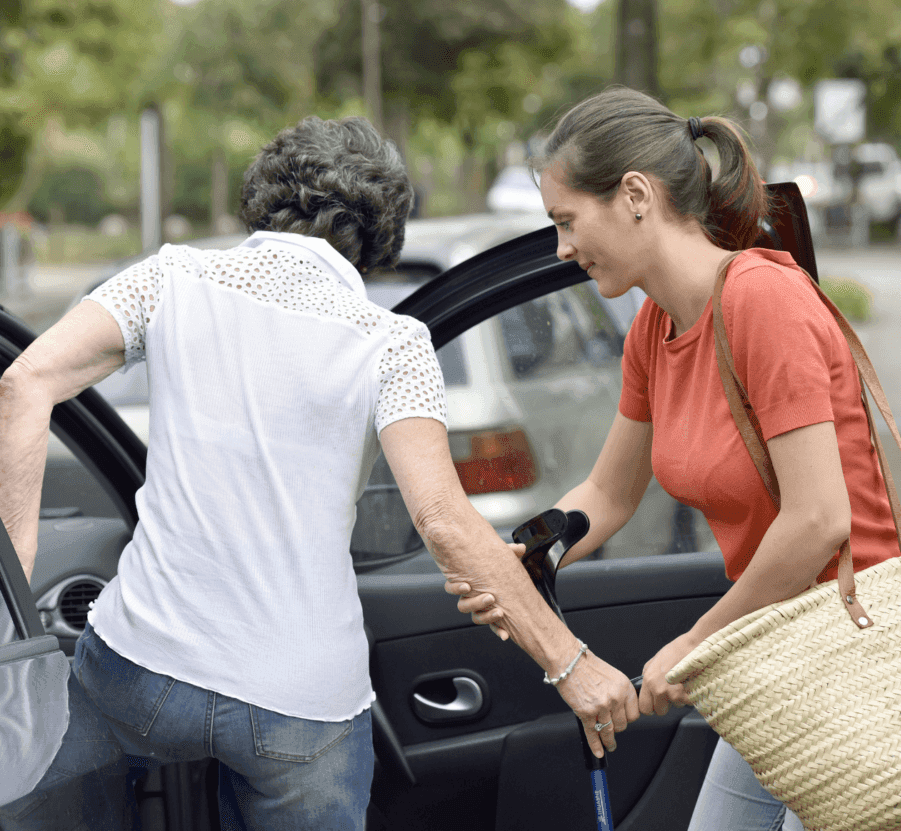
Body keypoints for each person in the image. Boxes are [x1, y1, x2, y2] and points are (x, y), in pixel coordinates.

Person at [0, 114, 638, 830]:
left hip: (140, 669)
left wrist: (12, 602)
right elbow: (443, 522)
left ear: (266, 192)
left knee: (26, 780)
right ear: (381, 233)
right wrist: (569, 663)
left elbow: (25, 384)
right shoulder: (392, 344)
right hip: (299, 705)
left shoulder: (169, 277)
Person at [454, 87, 901, 831]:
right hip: (775, 656)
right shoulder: (655, 328)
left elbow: (819, 519)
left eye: (568, 221)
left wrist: (699, 642)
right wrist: (529, 556)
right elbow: (608, 491)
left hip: (860, 657)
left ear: (635, 194)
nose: (563, 248)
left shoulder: (766, 301)